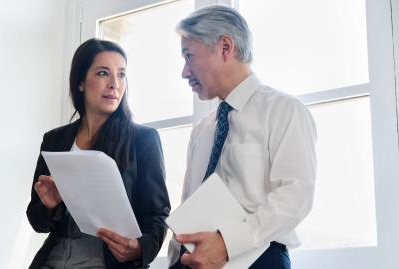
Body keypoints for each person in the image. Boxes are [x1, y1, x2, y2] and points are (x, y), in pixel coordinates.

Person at [168, 5, 317, 269]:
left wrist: (228, 243)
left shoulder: (283, 110)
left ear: (226, 47)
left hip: (260, 259)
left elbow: (296, 195)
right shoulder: (202, 129)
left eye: (189, 56)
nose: (184, 72)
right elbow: (189, 203)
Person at [27, 38, 171, 269]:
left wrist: (139, 248)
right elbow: (37, 222)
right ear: (81, 82)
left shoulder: (143, 139)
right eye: (103, 73)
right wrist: (49, 206)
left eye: (121, 74)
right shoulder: (54, 140)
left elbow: (157, 215)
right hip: (53, 260)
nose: (115, 84)